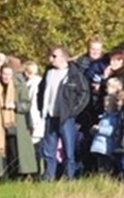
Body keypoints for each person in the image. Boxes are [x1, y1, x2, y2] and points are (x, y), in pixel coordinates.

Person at [38, 46, 89, 180]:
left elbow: (84, 94)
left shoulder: (74, 74)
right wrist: (41, 107)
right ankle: (49, 176)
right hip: (50, 116)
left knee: (68, 150)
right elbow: (41, 91)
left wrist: (72, 112)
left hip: (66, 119)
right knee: (48, 150)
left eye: (54, 56)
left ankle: (69, 177)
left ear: (63, 57)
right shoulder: (48, 73)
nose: (51, 59)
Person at [0, 64, 38, 179]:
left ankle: (17, 175)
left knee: (15, 149)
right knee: (0, 148)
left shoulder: (19, 85)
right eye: (4, 74)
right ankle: (0, 174)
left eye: (9, 74)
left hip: (15, 122)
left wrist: (15, 106)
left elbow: (27, 104)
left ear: (12, 74)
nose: (6, 77)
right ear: (0, 73)